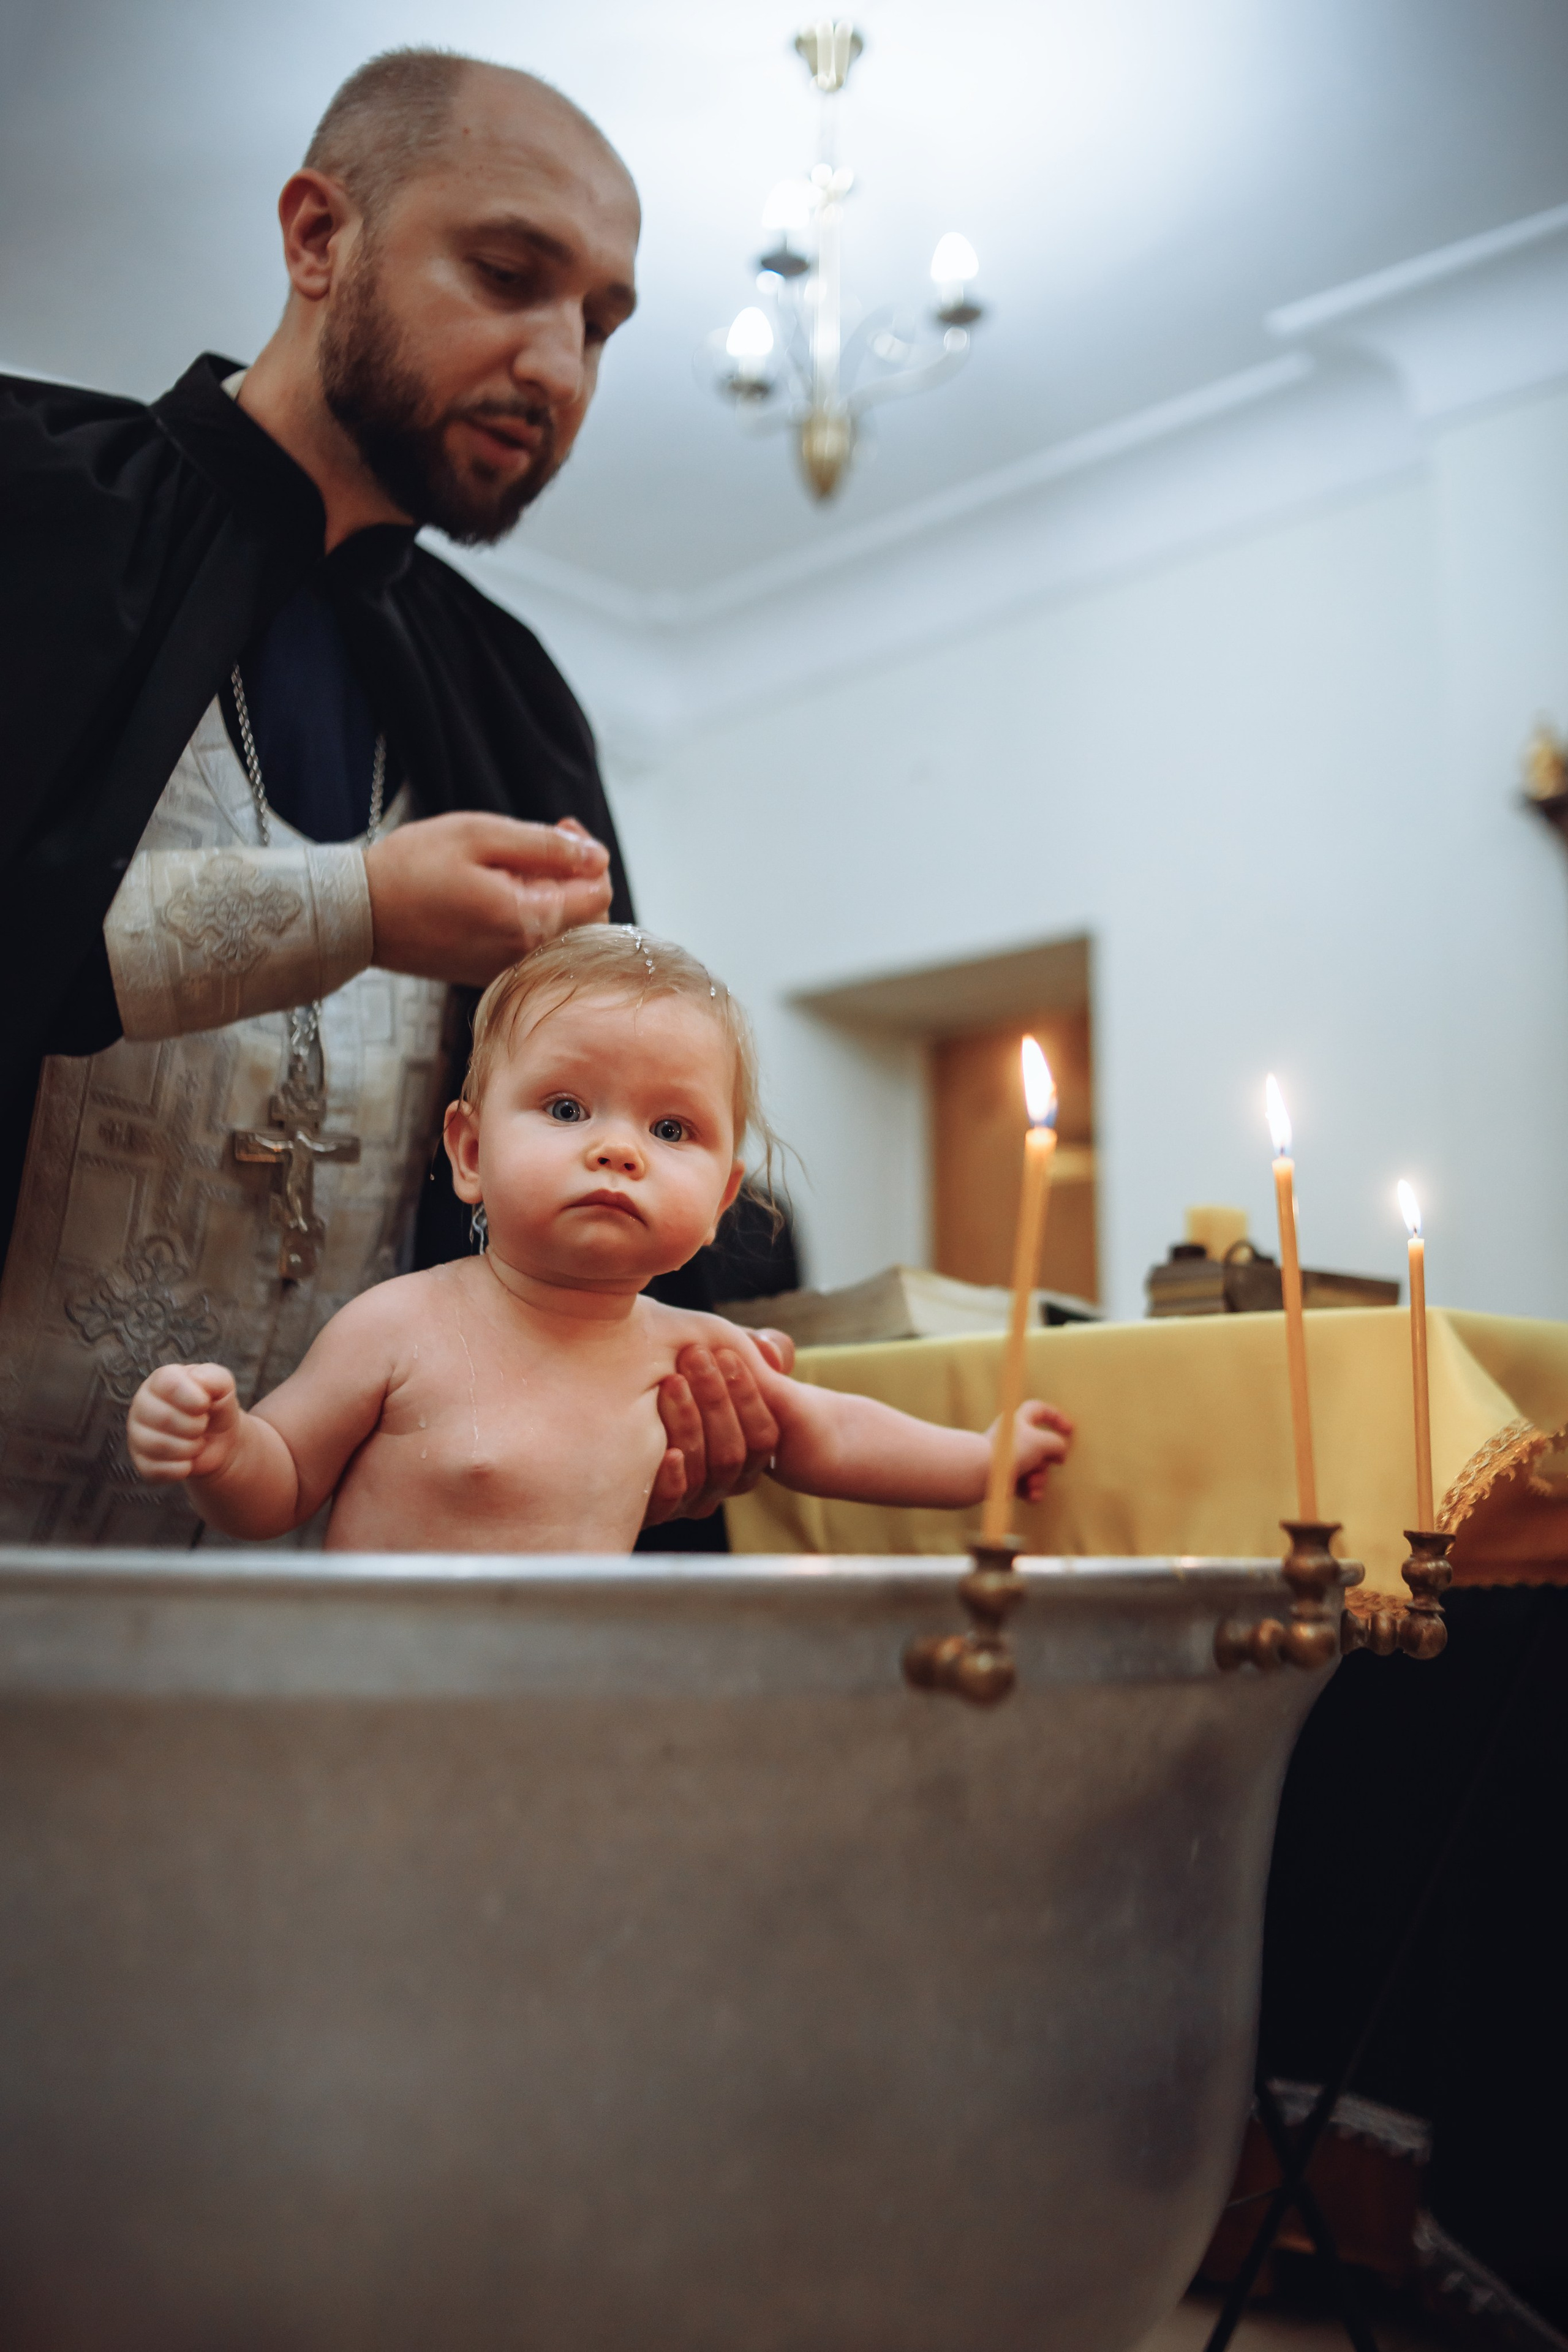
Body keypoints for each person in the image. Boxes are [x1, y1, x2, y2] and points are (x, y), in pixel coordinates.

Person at [0, 47, 784, 1545]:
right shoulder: (29, 505)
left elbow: (615, 1106)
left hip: (334, 1632)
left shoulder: (509, 690)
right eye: (507, 274)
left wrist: (657, 1407)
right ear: (316, 238)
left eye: (599, 325)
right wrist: (353, 903)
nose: (558, 367)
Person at [124, 929, 1074, 1550]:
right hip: (378, 1692)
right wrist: (222, 1450)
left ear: (719, 1203)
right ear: (469, 1150)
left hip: (565, 1699)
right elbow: (282, 1485)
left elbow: (833, 1431)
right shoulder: (397, 1326)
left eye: (673, 1132)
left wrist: (979, 1461)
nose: (620, 1149)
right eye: (569, 1107)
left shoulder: (691, 1355)